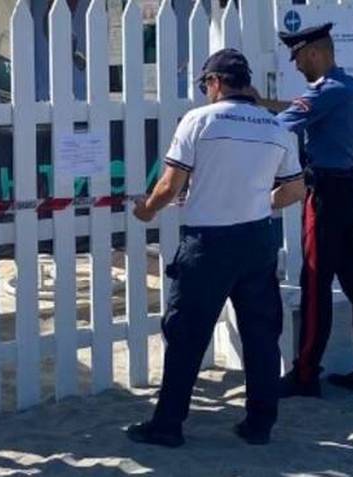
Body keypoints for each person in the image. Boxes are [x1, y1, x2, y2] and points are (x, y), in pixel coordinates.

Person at [126, 49, 306, 447]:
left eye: (205, 84)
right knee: (261, 335)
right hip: (257, 239)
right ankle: (259, 423)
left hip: (208, 242)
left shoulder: (199, 120)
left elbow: (169, 185)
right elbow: (295, 190)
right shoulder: (275, 127)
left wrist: (146, 210)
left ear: (216, 82)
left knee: (186, 334)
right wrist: (261, 201)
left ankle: (168, 424)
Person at [252, 23, 353, 398]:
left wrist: (244, 112)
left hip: (325, 193)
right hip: (348, 189)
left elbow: (280, 127)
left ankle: (305, 374)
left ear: (314, 52)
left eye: (298, 58)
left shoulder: (325, 91)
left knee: (315, 284)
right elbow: (304, 109)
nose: (297, 66)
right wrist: (263, 101)